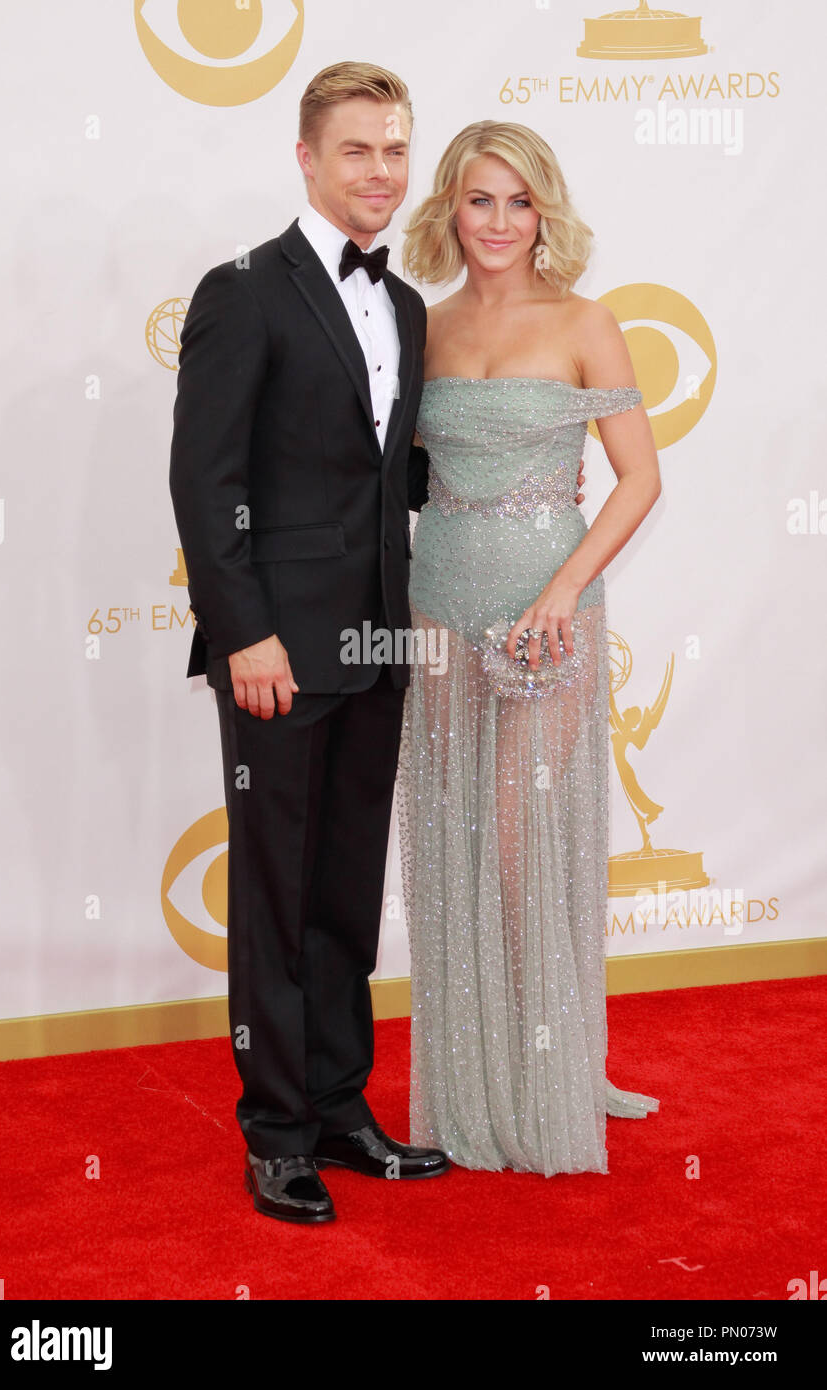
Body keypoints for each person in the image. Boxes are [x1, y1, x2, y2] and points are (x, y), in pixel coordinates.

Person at [168, 61, 452, 1224]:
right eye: (355, 151)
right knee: (275, 900)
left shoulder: (407, 305)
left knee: (342, 894)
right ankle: (275, 1134)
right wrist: (246, 635)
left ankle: (341, 1108)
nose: (379, 172)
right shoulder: (243, 290)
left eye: (393, 150)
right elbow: (205, 476)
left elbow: (380, 470)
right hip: (278, 653)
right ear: (305, 157)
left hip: (378, 642)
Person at [396, 120, 662, 1174]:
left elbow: (638, 478)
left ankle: (547, 1074)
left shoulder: (584, 321)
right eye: (476, 200)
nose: (497, 222)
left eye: (516, 201)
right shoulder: (422, 328)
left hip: (548, 614)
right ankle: (470, 1075)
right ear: (448, 210)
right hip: (436, 612)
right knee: (449, 841)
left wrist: (557, 595)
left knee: (517, 845)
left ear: (541, 209)